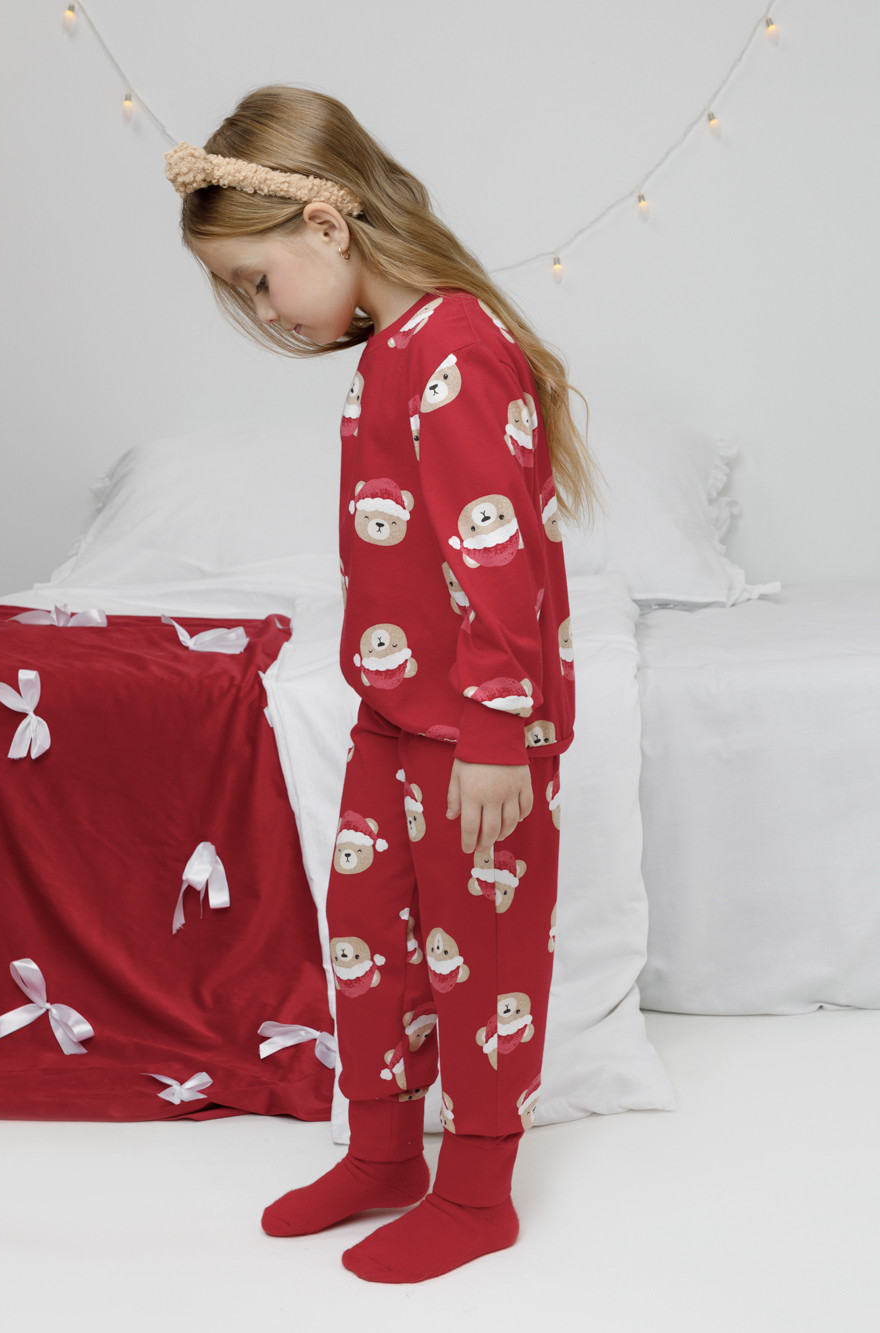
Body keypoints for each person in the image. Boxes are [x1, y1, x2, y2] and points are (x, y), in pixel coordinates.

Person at [164, 84, 601, 1284]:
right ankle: (384, 1153)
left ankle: (478, 1192)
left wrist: (500, 730)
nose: (265, 311)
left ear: (325, 225)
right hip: (396, 716)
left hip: (478, 733)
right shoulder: (395, 353)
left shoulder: (455, 345)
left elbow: (496, 559)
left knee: (481, 957)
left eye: (258, 281)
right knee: (372, 940)